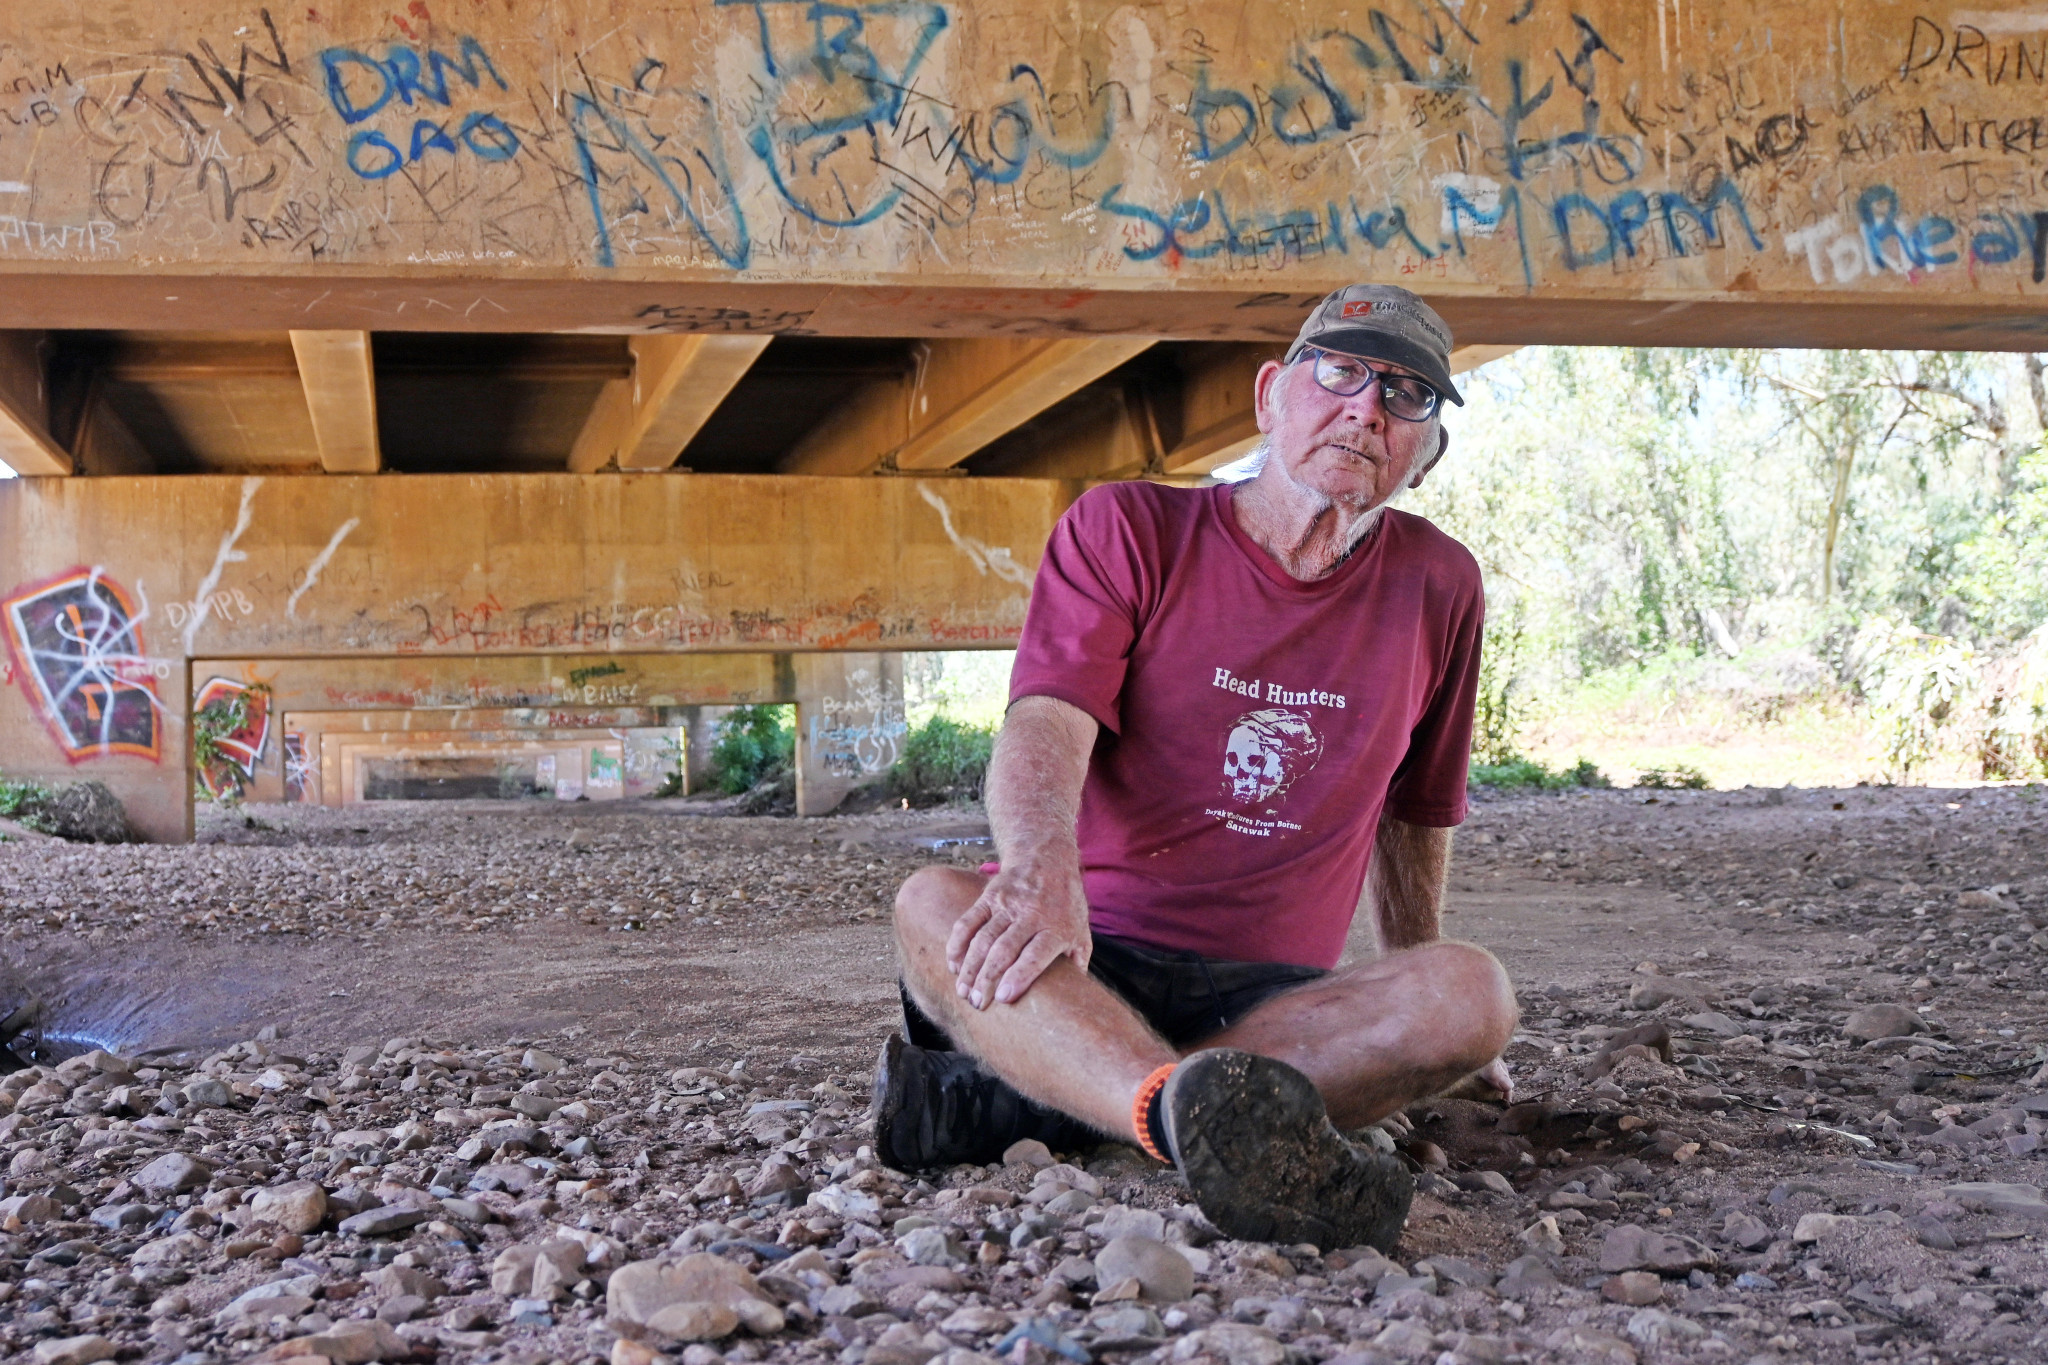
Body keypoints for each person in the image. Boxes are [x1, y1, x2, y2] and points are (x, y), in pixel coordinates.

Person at [875, 284, 1519, 1253]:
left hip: (1276, 1002)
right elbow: (1046, 722)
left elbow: (1416, 810)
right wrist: (1039, 868)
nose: (1365, 409)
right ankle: (1181, 1115)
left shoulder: (1440, 585)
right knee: (930, 904)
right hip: (1085, 960)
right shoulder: (1128, 529)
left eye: (1406, 398)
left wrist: (1406, 990)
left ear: (1421, 457)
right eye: (1338, 373)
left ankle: (1069, 1102)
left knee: (1471, 994)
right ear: (1268, 397)